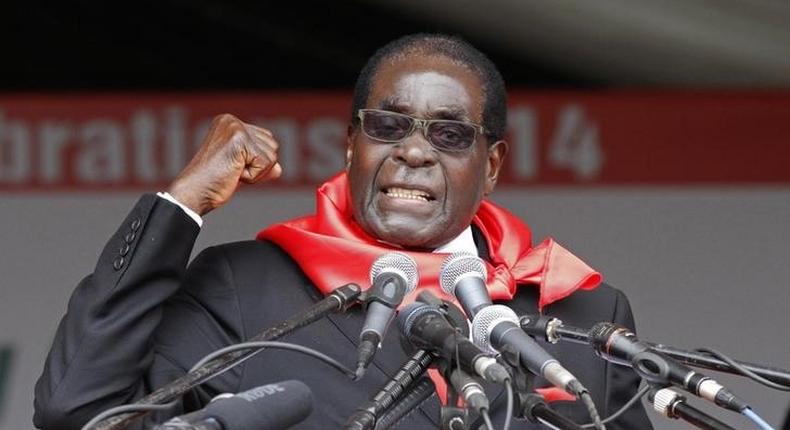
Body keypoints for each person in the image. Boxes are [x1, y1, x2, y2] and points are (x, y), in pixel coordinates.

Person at [34, 34, 653, 429]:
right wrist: (182, 203)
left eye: (449, 134)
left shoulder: (579, 311)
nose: (413, 152)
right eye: (388, 126)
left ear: (489, 166)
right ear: (351, 145)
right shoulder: (244, 291)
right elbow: (80, 412)